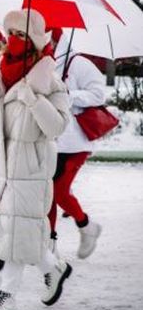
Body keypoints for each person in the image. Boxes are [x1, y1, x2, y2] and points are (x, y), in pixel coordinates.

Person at [0, 9, 72, 310]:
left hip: (30, 170)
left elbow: (57, 127)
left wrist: (34, 98)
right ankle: (52, 267)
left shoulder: (50, 82)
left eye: (22, 35)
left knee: (16, 234)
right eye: (11, 33)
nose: (14, 40)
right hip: (0, 167)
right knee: (13, 232)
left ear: (34, 41)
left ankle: (6, 298)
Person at [48, 29, 104, 259]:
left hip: (75, 142)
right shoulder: (43, 62)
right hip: (50, 138)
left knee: (59, 192)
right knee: (47, 194)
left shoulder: (78, 63)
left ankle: (87, 226)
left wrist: (69, 94)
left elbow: (99, 95)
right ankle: (49, 243)